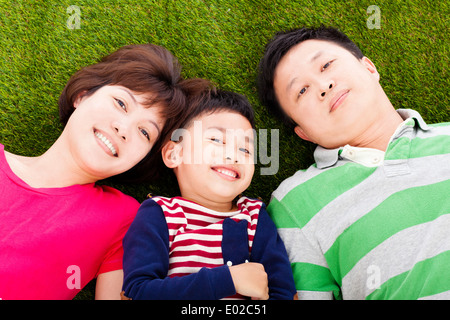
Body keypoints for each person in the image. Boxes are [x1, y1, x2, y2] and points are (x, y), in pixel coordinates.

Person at [0, 43, 207, 300]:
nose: (123, 129)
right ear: (82, 95)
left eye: (145, 133)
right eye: (121, 103)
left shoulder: (123, 219)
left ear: (142, 160)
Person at [257, 26, 450, 299]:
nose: (324, 86)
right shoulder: (296, 202)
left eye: (326, 65)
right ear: (303, 132)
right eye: (301, 91)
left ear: (369, 68)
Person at [121, 87, 296, 300]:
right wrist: (227, 281)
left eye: (245, 150)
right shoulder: (160, 214)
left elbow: (283, 291)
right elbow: (138, 292)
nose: (233, 155)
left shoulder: (254, 216)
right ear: (175, 154)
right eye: (216, 140)